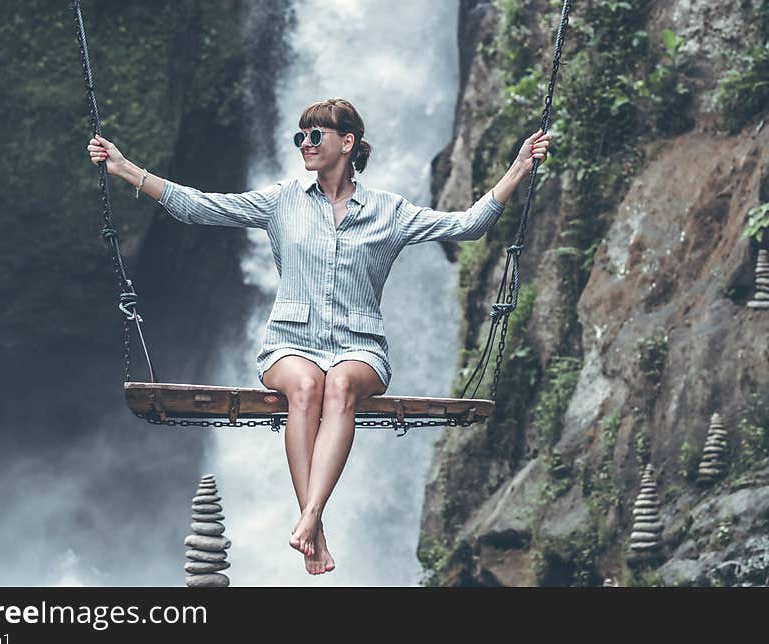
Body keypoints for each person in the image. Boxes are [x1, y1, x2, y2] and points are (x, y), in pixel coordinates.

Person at [86, 98, 551, 576]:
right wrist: (125, 169)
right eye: (300, 137)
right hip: (289, 344)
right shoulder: (282, 200)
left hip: (361, 346)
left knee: (341, 385)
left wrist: (518, 167)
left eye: (315, 136)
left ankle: (309, 517)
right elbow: (200, 208)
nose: (304, 144)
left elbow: (468, 225)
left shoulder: (389, 212)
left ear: (346, 144)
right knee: (307, 386)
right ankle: (315, 523)